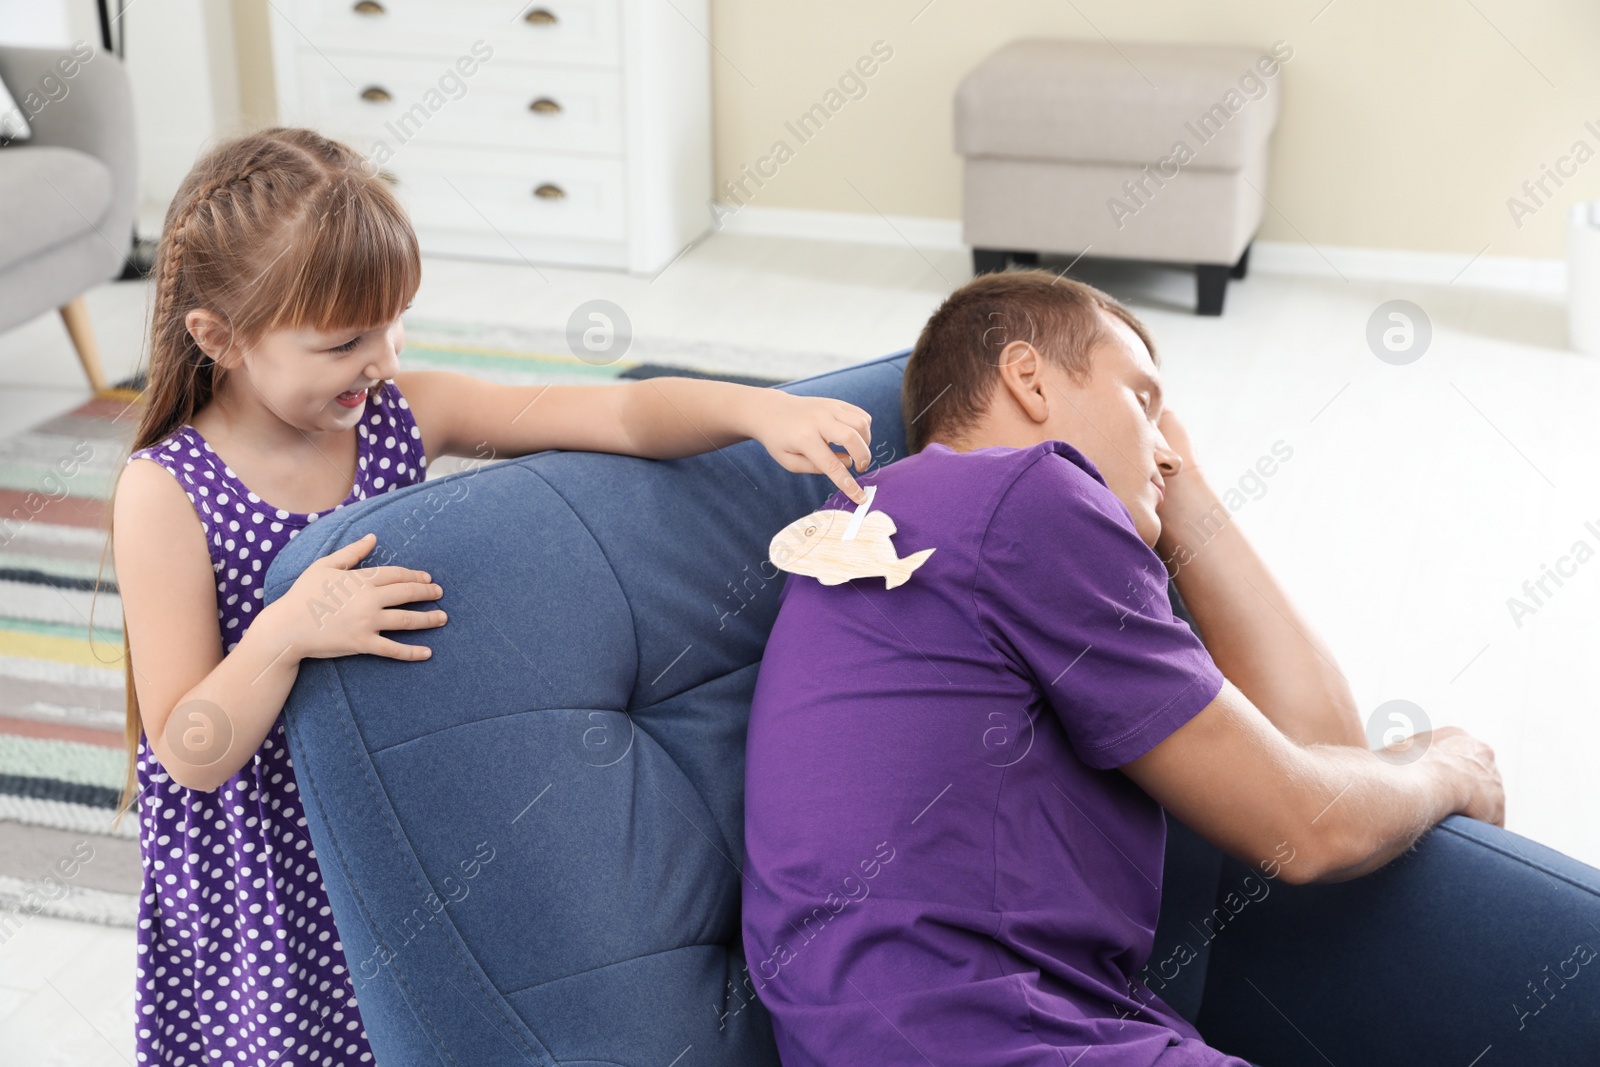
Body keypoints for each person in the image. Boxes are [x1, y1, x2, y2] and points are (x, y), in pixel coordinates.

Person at [107, 126, 875, 1066]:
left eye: (396, 321)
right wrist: (291, 630)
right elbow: (189, 752)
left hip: (383, 818)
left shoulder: (402, 414)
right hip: (260, 881)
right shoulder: (166, 491)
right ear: (217, 337)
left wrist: (759, 410)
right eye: (344, 340)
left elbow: (617, 414)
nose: (383, 358)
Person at [740, 269, 1504, 1066]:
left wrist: (1180, 482)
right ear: (1028, 378)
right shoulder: (1023, 495)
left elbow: (1320, 747)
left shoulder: (882, 517)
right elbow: (1309, 830)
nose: (1168, 450)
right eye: (1143, 399)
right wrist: (1447, 764)